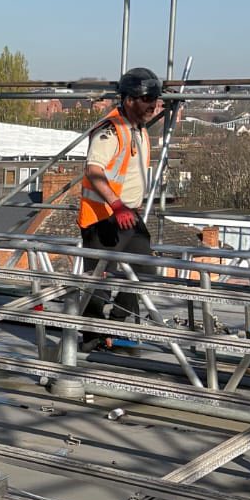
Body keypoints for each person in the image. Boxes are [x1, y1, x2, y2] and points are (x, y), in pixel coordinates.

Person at [77, 66, 169, 341]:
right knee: (99, 282)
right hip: (103, 218)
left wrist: (169, 98)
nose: (153, 105)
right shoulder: (111, 130)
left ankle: (117, 321)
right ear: (129, 100)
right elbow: (94, 170)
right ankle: (92, 338)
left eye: (155, 99)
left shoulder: (137, 127)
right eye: (147, 99)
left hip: (128, 215)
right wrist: (116, 204)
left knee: (144, 270)